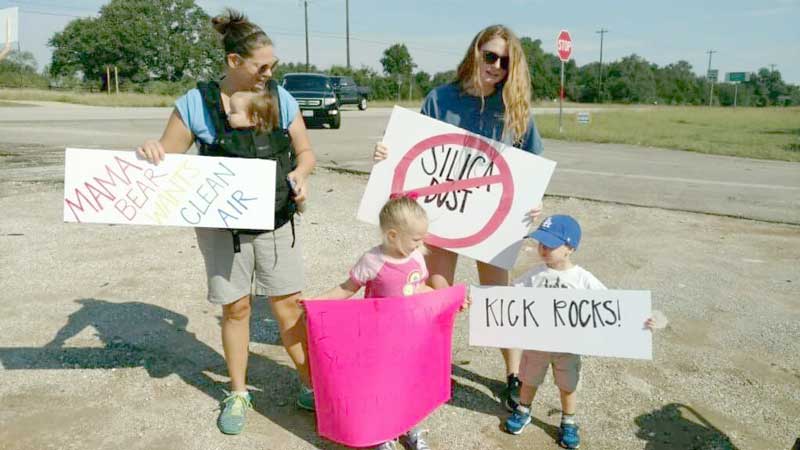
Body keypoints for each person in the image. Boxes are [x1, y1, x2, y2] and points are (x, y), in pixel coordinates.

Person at [137, 9, 316, 435]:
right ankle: (237, 391)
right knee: (235, 308)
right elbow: (169, 156)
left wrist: (301, 175)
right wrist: (150, 150)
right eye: (262, 66)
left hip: (276, 223)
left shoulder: (280, 97)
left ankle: (311, 384)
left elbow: (306, 153)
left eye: (272, 65)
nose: (269, 74)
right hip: (223, 232)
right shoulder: (194, 103)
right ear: (234, 62)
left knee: (289, 307)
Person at [373, 24, 543, 411]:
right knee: (438, 296)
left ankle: (513, 376)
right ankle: (433, 369)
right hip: (440, 217)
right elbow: (411, 151)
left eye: (505, 60)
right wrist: (386, 154)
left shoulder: (515, 109)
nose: (496, 66)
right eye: (490, 56)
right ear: (475, 51)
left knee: (498, 298)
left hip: (492, 220)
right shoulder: (440, 98)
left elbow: (531, 167)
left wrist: (535, 204)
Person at [309, 194, 453, 450]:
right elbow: (346, 288)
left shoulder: (417, 257)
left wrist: (448, 299)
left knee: (409, 381)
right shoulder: (373, 261)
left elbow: (418, 288)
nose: (421, 244)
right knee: (380, 384)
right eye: (416, 239)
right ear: (393, 235)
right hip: (379, 337)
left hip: (410, 334)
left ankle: (409, 426)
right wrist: (316, 303)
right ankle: (382, 433)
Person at [503, 214, 657, 449]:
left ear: (569, 248)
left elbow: (610, 306)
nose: (543, 249)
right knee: (529, 380)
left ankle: (569, 420)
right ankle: (523, 410)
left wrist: (640, 320)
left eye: (550, 245)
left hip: (569, 347)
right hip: (537, 344)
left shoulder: (583, 279)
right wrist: (487, 300)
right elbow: (511, 295)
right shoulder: (535, 275)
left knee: (568, 384)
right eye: (540, 243)